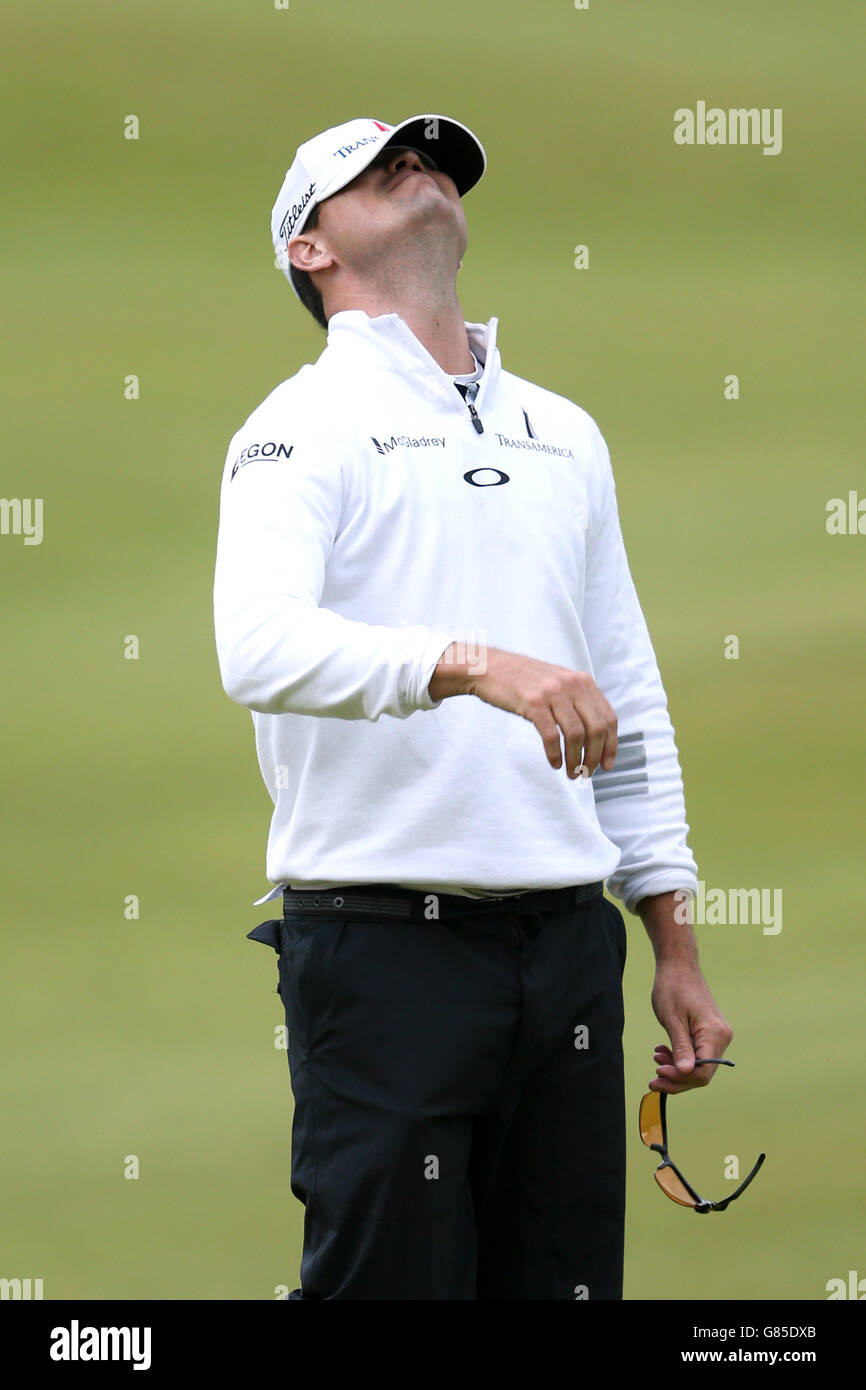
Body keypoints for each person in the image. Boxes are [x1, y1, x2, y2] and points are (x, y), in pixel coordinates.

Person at [212, 114, 733, 1301]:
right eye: (375, 167)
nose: (419, 169)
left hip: (563, 953)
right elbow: (258, 645)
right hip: (383, 950)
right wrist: (470, 663)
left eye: (433, 160)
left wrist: (672, 938)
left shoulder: (564, 432)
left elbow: (623, 690)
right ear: (309, 248)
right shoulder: (296, 429)